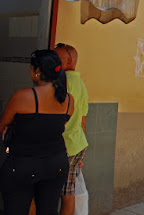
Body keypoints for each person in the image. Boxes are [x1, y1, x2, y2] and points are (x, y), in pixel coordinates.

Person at [0, 50, 74, 214]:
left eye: (31, 69)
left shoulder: (23, 96)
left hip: (23, 165)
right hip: (56, 164)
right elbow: (58, 123)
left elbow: (3, 123)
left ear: (38, 72)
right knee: (48, 210)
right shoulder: (68, 99)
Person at [55, 43, 89, 215]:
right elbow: (83, 119)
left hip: (65, 146)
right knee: (68, 193)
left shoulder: (62, 82)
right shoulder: (81, 84)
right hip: (77, 144)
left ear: (68, 61)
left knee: (58, 194)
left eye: (56, 56)